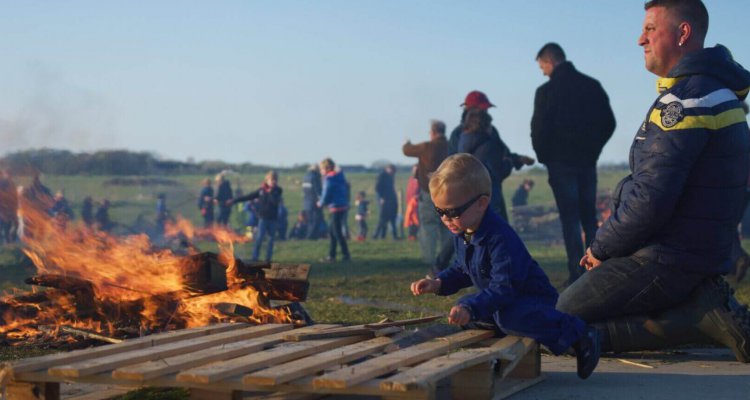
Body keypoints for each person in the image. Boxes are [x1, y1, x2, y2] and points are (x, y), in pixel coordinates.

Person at [557, 0, 750, 363]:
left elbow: (651, 199)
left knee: (562, 317)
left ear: (683, 33)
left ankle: (693, 319)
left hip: (670, 256)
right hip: (692, 251)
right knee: (570, 310)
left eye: (649, 29)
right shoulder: (711, 92)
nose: (639, 40)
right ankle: (698, 306)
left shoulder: (686, 102)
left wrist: (602, 249)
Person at [410, 154, 600, 379]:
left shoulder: (500, 238)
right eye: (440, 211)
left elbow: (504, 288)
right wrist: (439, 282)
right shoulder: (463, 232)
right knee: (464, 307)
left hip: (530, 299)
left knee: (506, 317)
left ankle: (580, 333)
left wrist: (472, 308)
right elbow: (463, 268)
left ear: (481, 203)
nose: (446, 219)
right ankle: (499, 341)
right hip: (505, 301)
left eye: (452, 212)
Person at [531, 42, 616, 285]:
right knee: (589, 217)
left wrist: (544, 156)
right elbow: (608, 123)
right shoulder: (591, 86)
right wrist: (594, 150)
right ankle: (597, 269)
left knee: (570, 219)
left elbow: (538, 129)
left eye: (542, 67)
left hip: (559, 163)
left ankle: (576, 272)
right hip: (587, 161)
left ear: (550, 61)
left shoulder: (546, 92)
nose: (543, 72)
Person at [448, 91, 535, 221]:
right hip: (488, 194)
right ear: (473, 109)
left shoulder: (465, 133)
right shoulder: (479, 132)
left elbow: (503, 152)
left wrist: (518, 159)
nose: (487, 112)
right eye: (484, 109)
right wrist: (511, 162)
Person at [403, 120, 453, 273]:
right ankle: (448, 258)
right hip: (449, 193)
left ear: (432, 132)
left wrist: (407, 143)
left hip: (429, 192)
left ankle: (429, 258)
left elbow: (407, 150)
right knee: (448, 227)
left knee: (428, 226)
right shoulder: (451, 146)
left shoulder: (426, 147)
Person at [229, 170, 283, 262]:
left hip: (273, 219)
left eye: (275, 180)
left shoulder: (278, 190)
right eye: (272, 179)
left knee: (270, 240)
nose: (274, 181)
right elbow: (249, 196)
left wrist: (270, 191)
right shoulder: (261, 190)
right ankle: (255, 258)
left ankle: (268, 259)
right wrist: (235, 200)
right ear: (267, 180)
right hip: (263, 218)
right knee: (259, 238)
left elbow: (275, 202)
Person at [318, 158, 350, 262]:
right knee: (332, 232)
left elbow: (326, 193)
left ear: (326, 168)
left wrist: (321, 203)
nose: (320, 171)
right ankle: (332, 255)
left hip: (335, 207)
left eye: (321, 169)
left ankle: (345, 255)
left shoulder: (329, 179)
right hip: (342, 206)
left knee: (336, 232)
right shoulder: (339, 176)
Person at [372, 164, 399, 239]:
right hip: (384, 199)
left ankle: (393, 236)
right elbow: (377, 188)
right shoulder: (382, 176)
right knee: (383, 218)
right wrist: (381, 198)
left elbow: (391, 188)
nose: (393, 172)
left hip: (391, 199)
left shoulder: (391, 176)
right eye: (392, 170)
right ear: (387, 168)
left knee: (392, 218)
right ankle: (376, 235)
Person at [302, 164, 324, 239]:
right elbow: (317, 190)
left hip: (306, 202)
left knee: (309, 221)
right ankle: (311, 236)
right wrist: (321, 200)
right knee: (315, 220)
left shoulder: (305, 176)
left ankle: (308, 235)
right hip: (314, 202)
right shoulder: (315, 177)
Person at [0, 170, 19, 243]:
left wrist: (15, 209)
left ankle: (10, 240)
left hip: (11, 210)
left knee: (14, 225)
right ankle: (6, 242)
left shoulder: (12, 185)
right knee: (5, 226)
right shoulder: (2, 184)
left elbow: (15, 198)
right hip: (3, 210)